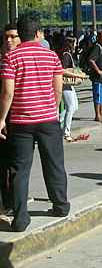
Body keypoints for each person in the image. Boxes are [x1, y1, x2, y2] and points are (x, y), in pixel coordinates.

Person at [0, 14, 70, 232]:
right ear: (39, 33)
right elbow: (57, 88)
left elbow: (7, 91)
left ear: (21, 33)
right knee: (54, 163)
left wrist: (1, 118)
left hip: (21, 122)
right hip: (48, 119)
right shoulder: (52, 56)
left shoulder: (10, 58)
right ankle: (60, 205)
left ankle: (20, 219)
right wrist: (52, 107)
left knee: (20, 169)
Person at [0, 23, 19, 215]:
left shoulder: (23, 60)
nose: (9, 40)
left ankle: (14, 200)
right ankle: (9, 202)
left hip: (21, 121)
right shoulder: (3, 61)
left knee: (17, 164)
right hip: (4, 121)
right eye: (6, 37)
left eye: (13, 36)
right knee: (5, 164)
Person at [60, 37, 87, 141]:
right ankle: (66, 132)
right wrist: (77, 76)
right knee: (71, 107)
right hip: (65, 83)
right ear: (71, 43)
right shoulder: (66, 55)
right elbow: (62, 70)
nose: (76, 45)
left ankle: (58, 122)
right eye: (75, 43)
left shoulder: (67, 54)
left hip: (68, 84)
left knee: (74, 107)